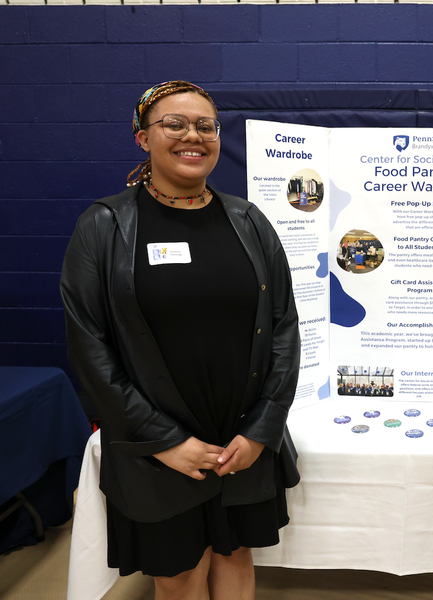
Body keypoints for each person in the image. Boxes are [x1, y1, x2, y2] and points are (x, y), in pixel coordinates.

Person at [60, 81, 301, 600]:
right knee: (178, 576)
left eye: (206, 126)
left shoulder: (249, 221)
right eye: (174, 124)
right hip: (155, 447)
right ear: (143, 138)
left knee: (236, 556)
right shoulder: (104, 227)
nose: (193, 135)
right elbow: (90, 347)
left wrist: (262, 429)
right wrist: (165, 441)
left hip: (241, 441)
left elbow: (283, 327)